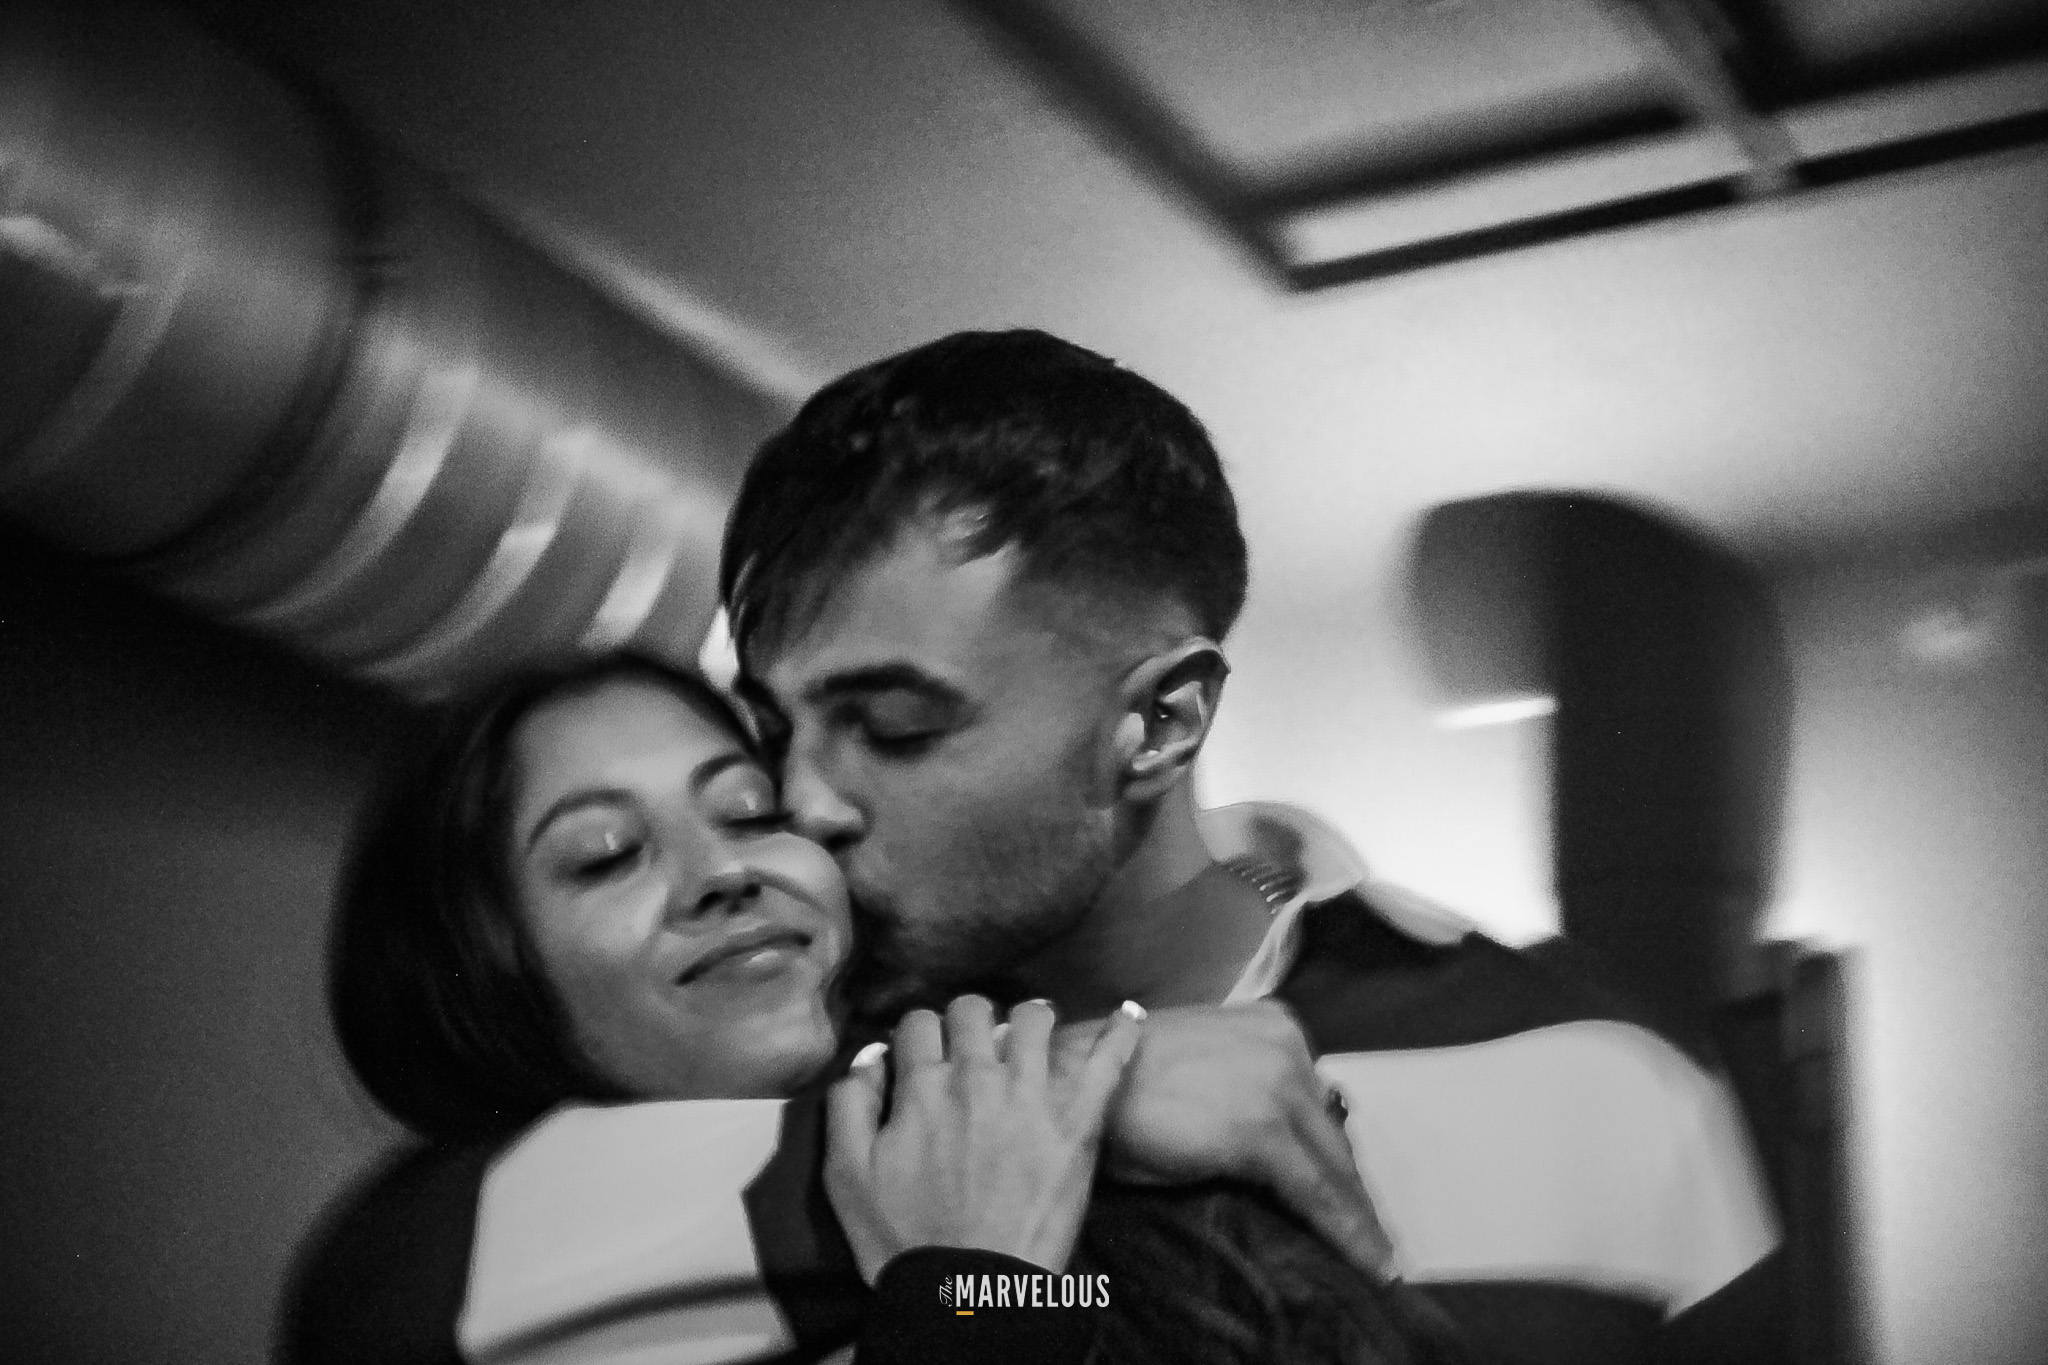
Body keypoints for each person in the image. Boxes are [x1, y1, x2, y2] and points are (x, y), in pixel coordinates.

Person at [313, 329, 1785, 1363]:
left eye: (892, 724)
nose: (802, 806)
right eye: (774, 730)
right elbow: (389, 1289)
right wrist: (1088, 1097)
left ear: (1157, 725)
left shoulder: (1602, 1073)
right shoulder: (800, 1063)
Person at [282, 651, 1474, 1365]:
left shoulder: (1038, 1169)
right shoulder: (433, 1264)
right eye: (605, 854)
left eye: (749, 812)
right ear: (482, 966)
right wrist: (1041, 1164)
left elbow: (1060, 1303)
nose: (722, 870)